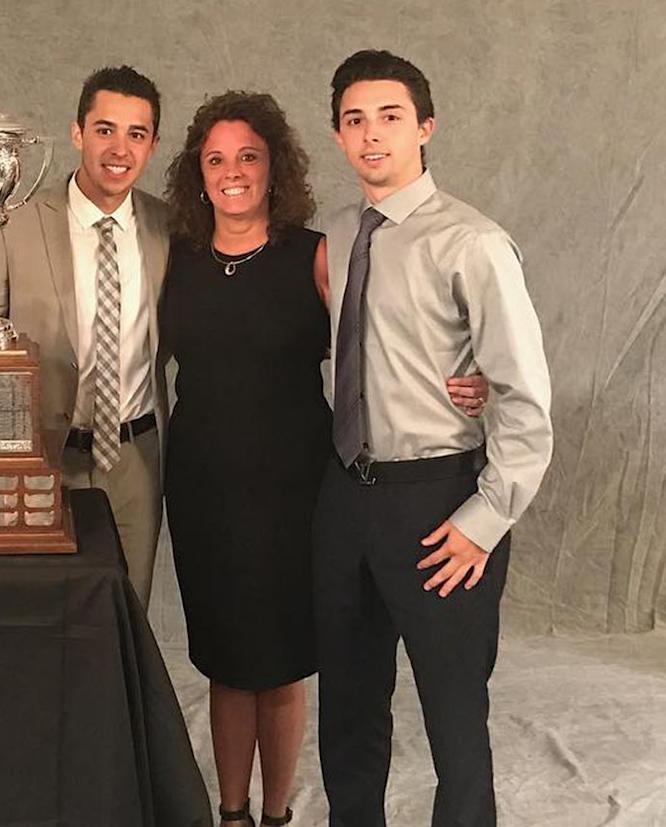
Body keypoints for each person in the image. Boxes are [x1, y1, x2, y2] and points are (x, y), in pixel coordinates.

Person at [160, 91, 489, 827]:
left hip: (296, 485)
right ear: (197, 172)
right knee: (223, 653)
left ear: (275, 167)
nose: (233, 171)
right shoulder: (174, 257)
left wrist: (481, 376)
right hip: (203, 487)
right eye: (216, 158)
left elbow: (393, 336)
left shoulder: (316, 253)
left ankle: (276, 812)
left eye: (249, 156)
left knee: (279, 655)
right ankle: (233, 811)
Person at [314, 50, 553, 826]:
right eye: (354, 120)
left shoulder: (474, 243)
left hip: (442, 503)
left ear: (425, 126)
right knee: (348, 709)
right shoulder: (342, 230)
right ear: (339, 137)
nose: (371, 134)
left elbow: (523, 400)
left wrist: (485, 522)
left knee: (455, 720)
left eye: (389, 116)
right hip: (347, 495)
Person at [0, 65, 170, 607]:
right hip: (44, 456)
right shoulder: (15, 223)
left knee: (127, 618)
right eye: (105, 129)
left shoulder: (167, 228)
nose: (119, 148)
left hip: (135, 461)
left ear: (153, 144)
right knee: (46, 619)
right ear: (77, 132)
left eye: (137, 134)